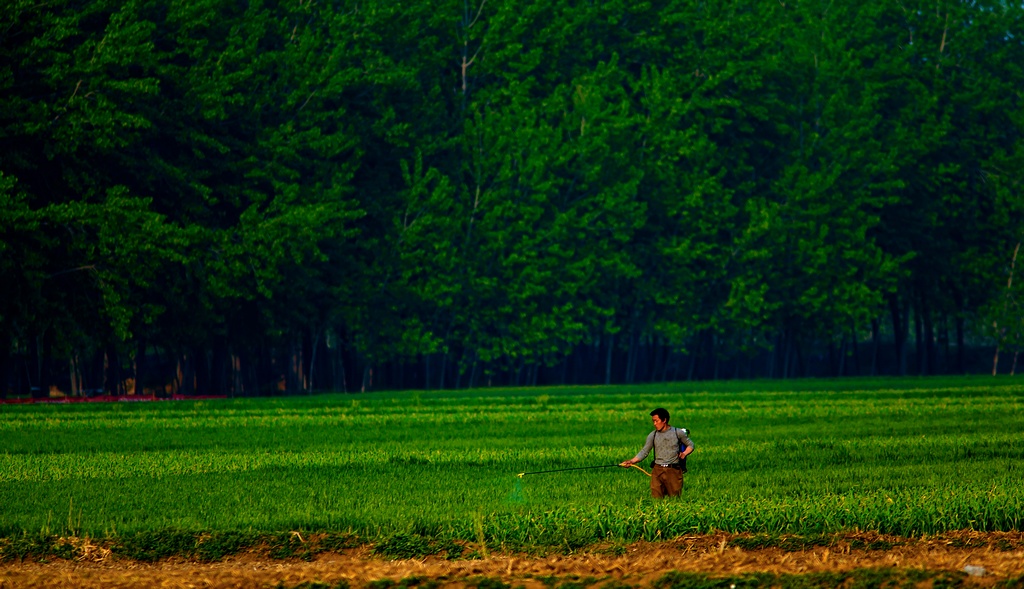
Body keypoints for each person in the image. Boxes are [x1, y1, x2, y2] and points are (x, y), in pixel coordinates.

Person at [620, 407, 694, 498]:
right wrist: (631, 461)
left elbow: (690, 445)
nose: (654, 424)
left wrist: (685, 453)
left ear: (664, 420)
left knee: (675, 499)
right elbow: (644, 451)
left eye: (656, 421)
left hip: (673, 470)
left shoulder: (677, 432)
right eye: (653, 421)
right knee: (656, 498)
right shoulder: (653, 435)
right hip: (657, 470)